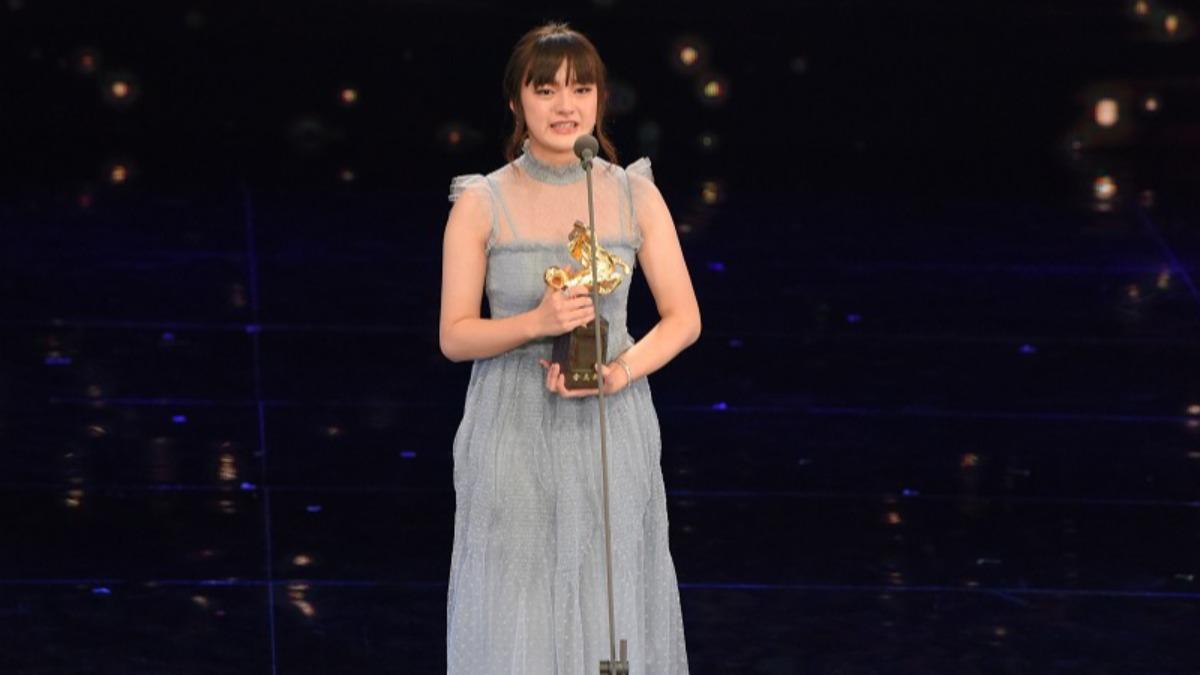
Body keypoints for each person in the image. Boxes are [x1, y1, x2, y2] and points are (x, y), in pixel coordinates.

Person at [438, 21, 699, 674]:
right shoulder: (481, 202)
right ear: (516, 101)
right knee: (519, 606)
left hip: (611, 425)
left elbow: (684, 318)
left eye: (581, 89)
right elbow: (455, 334)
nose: (565, 105)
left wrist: (620, 372)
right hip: (512, 426)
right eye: (546, 89)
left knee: (610, 601)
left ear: (600, 99)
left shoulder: (633, 192)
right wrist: (536, 321)